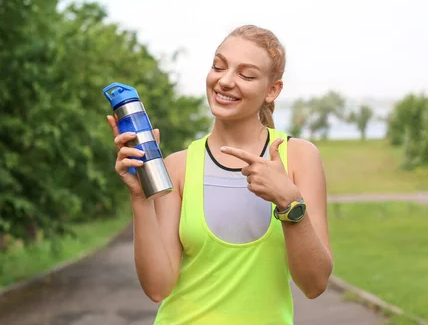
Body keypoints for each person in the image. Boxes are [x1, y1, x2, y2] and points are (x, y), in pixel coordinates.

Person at [106, 25, 333, 325]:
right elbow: (157, 288)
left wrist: (289, 202)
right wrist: (140, 197)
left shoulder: (299, 158)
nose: (225, 81)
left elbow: (314, 284)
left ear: (272, 90)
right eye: (218, 66)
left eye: (246, 75)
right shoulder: (178, 166)